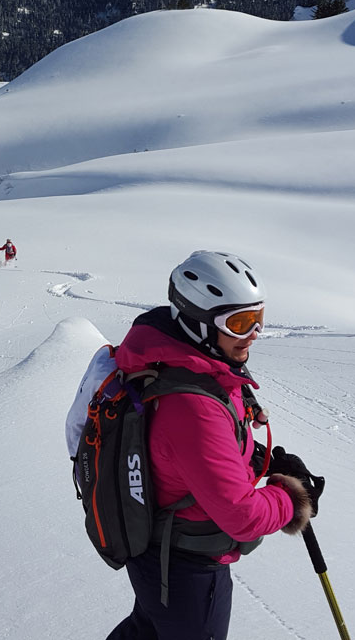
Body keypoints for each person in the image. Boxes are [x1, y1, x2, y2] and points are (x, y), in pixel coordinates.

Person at [106, 251, 314, 640]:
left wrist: (259, 457)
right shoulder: (192, 404)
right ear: (197, 322)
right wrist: (293, 499)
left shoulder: (186, 363)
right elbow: (242, 515)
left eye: (258, 319)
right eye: (239, 322)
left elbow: (193, 453)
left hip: (158, 553)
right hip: (186, 567)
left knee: (146, 631)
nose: (253, 333)